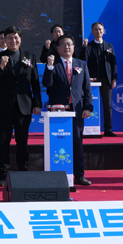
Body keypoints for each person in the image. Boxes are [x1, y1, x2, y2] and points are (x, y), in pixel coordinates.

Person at [0, 26, 42, 187]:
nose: (13, 41)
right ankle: (3, 174)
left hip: (24, 106)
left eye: (16, 37)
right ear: (5, 40)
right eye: (10, 38)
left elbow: (34, 82)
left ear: (20, 39)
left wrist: (37, 103)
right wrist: (1, 66)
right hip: (4, 106)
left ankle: (23, 171)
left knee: (22, 141)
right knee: (3, 141)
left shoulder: (29, 56)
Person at [43, 34, 93, 185]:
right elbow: (47, 83)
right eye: (63, 44)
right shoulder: (54, 64)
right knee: (59, 142)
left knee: (77, 143)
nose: (67, 47)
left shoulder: (81, 64)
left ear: (73, 47)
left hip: (77, 109)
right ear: (57, 48)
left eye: (69, 44)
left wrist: (88, 107)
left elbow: (87, 88)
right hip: (58, 111)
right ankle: (57, 176)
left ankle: (79, 175)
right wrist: (50, 67)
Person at [80, 21, 117, 136]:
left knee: (107, 105)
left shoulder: (109, 46)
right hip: (92, 80)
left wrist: (114, 78)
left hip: (106, 79)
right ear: (92, 32)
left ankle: (108, 129)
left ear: (104, 31)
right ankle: (89, 129)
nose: (98, 31)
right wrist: (84, 47)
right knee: (92, 104)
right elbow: (82, 59)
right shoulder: (89, 46)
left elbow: (113, 63)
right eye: (96, 29)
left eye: (100, 29)